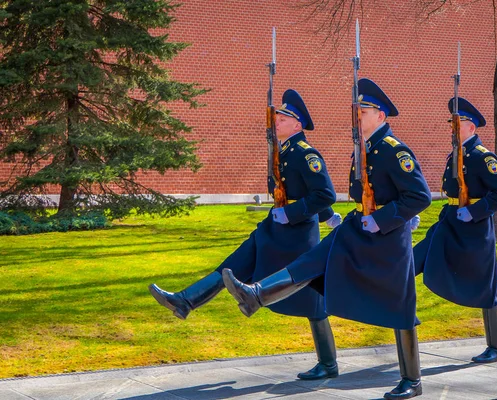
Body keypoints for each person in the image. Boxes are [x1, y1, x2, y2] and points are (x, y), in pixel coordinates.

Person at [222, 78, 432, 399]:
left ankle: (412, 379)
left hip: (388, 237)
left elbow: (419, 196)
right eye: (357, 110)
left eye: (364, 110)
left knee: (400, 303)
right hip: (358, 227)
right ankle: (256, 294)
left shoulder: (393, 150)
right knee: (311, 261)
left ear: (381, 115)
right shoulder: (365, 149)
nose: (358, 115)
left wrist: (383, 219)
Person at [148, 89, 342, 380]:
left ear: (298, 125)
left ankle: (328, 363)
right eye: (277, 116)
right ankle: (185, 301)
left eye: (284, 117)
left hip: (297, 236)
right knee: (233, 264)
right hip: (273, 229)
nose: (277, 120)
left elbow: (324, 194)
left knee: (313, 300)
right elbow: (298, 190)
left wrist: (303, 215)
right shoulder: (284, 152)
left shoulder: (306, 153)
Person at [413, 97, 497, 364]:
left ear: (471, 127)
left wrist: (475, 211)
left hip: (473, 229)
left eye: (458, 125)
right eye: (452, 125)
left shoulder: (482, 156)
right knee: (411, 261)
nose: (453, 130)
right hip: (449, 220)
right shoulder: (458, 153)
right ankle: (403, 316)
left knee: (485, 286)